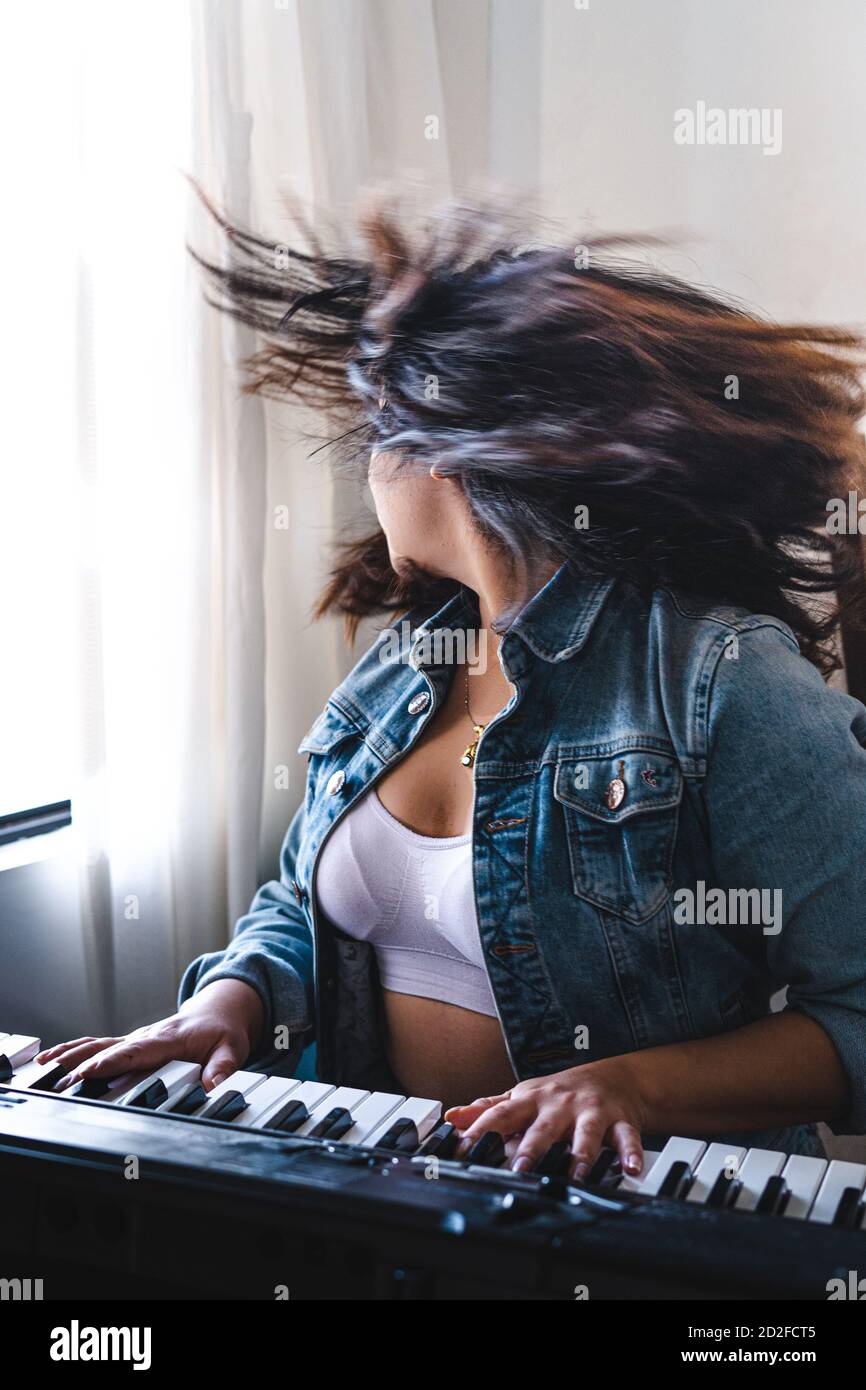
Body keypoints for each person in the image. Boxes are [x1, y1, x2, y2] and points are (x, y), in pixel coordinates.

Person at [39, 193, 866, 1179]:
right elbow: (303, 904)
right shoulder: (402, 668)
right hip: (395, 1206)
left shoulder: (719, 680)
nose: (369, 468)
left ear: (443, 451)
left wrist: (632, 1085)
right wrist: (227, 1003)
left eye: (376, 433)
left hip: (639, 1218)